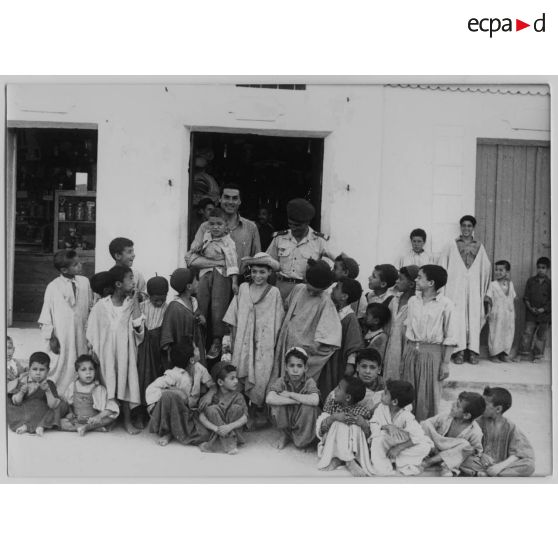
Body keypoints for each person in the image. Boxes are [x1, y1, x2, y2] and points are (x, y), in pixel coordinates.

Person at [222, 253, 284, 420]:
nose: (258, 276)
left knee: (261, 375)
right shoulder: (243, 288)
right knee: (240, 373)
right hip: (243, 342)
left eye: (262, 272)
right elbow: (233, 318)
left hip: (263, 344)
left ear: (270, 272)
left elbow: (278, 324)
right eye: (255, 271)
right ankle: (241, 412)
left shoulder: (274, 293)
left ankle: (258, 411)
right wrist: (234, 341)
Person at [86, 265, 144, 435]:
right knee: (108, 384)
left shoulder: (130, 304)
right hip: (106, 354)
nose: (134, 282)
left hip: (126, 353)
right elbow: (91, 332)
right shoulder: (101, 306)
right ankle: (110, 419)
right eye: (130, 278)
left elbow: (139, 326)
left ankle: (127, 421)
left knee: (125, 383)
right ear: (118, 284)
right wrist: (94, 352)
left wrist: (135, 301)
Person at [272, 259, 341, 385]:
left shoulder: (325, 301)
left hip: (303, 346)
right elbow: (286, 307)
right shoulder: (298, 289)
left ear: (324, 288)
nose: (311, 292)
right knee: (280, 375)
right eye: (309, 288)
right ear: (306, 281)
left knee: (297, 378)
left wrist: (317, 343)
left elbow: (330, 328)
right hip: (286, 340)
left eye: (316, 291)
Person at [401, 265, 456, 422]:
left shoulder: (445, 304)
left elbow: (450, 336)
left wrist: (445, 363)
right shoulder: (413, 301)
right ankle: (406, 429)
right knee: (408, 393)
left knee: (428, 395)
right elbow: (409, 329)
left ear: (431, 282)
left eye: (419, 277)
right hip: (411, 352)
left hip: (432, 355)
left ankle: (425, 433)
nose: (416, 280)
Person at [185, 207, 239, 359]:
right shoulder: (206, 236)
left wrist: (234, 282)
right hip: (205, 274)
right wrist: (199, 250)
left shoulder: (228, 242)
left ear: (226, 225)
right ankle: (199, 338)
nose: (215, 227)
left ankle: (217, 340)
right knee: (201, 304)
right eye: (212, 223)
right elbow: (191, 257)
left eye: (219, 224)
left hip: (221, 275)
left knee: (217, 307)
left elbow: (232, 262)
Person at [38, 249, 93, 395]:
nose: (80, 265)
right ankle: (61, 394)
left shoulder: (84, 282)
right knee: (63, 364)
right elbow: (46, 314)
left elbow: (90, 306)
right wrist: (51, 337)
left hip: (81, 331)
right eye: (75, 264)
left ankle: (79, 393)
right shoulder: (53, 286)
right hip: (62, 334)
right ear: (63, 269)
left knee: (82, 360)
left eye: (79, 262)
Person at [438, 215, 491, 365]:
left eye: (469, 226)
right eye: (464, 226)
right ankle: (458, 351)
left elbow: (486, 268)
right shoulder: (452, 245)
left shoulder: (479, 246)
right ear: (460, 227)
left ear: (473, 228)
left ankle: (473, 351)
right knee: (456, 316)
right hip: (456, 286)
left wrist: (483, 288)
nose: (466, 228)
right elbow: (443, 264)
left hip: (473, 287)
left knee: (474, 317)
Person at [146, 340, 215, 447]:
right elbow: (150, 390)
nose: (198, 349)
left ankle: (178, 431)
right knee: (168, 396)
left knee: (205, 434)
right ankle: (167, 432)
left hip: (188, 411)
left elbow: (213, 386)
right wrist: (175, 391)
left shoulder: (200, 369)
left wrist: (209, 394)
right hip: (169, 411)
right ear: (191, 359)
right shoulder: (174, 374)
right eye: (196, 348)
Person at [266, 198, 335, 299]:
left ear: (307, 222)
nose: (293, 228)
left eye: (297, 225)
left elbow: (336, 262)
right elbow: (268, 262)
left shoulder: (319, 241)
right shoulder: (280, 238)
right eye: (290, 224)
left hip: (305, 291)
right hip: (280, 289)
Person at [189, 183, 261, 277]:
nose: (230, 202)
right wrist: (222, 263)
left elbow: (258, 260)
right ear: (220, 199)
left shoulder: (251, 227)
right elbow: (192, 258)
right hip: (211, 282)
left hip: (240, 283)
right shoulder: (205, 227)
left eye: (235, 198)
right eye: (226, 197)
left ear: (240, 201)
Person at [460, 387, 535, 477]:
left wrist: (500, 466)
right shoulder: (476, 421)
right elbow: (463, 444)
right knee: (461, 458)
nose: (480, 406)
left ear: (498, 409)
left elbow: (521, 452)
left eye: (484, 404)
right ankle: (492, 475)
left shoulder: (510, 426)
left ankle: (491, 475)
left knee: (529, 465)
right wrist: (480, 455)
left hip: (501, 466)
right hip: (479, 463)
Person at [369, 380, 433, 476]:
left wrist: (399, 448)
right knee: (377, 438)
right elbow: (373, 423)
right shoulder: (381, 408)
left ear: (394, 401)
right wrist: (387, 426)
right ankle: (384, 467)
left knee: (425, 447)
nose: (382, 393)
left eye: (386, 393)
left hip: (402, 445)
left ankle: (396, 459)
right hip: (386, 442)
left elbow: (418, 436)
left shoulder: (406, 416)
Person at [316, 376, 375, 477]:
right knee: (338, 424)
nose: (334, 390)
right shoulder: (332, 406)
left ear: (347, 397)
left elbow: (368, 436)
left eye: (338, 388)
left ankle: (349, 460)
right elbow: (320, 430)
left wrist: (363, 424)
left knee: (355, 425)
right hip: (332, 443)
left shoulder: (361, 411)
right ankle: (342, 459)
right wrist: (334, 417)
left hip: (353, 449)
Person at [266, 347, 321, 450]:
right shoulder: (282, 380)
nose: (295, 370)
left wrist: (290, 394)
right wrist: (294, 401)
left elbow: (315, 400)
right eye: (292, 366)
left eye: (299, 366)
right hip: (290, 415)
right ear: (286, 367)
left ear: (305, 368)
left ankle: (303, 439)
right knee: (275, 404)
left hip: (302, 418)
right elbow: (269, 398)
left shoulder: (309, 382)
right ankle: (285, 435)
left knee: (309, 408)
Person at [318, 277, 364, 400]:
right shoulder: (331, 309)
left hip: (337, 361)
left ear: (344, 296)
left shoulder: (349, 317)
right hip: (325, 358)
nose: (333, 288)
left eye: (337, 287)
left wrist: (350, 365)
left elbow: (353, 344)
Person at [421, 392, 485, 477]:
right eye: (455, 402)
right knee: (425, 424)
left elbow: (477, 451)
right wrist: (431, 444)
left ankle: (433, 462)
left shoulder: (475, 432)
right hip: (435, 447)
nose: (452, 404)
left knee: (465, 446)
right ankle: (442, 461)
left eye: (457, 405)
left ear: (466, 415)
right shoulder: (445, 416)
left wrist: (471, 451)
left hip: (453, 454)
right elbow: (428, 424)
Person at [135, 276, 169, 426]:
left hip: (159, 352)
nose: (159, 302)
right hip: (143, 351)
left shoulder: (169, 308)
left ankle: (156, 414)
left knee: (158, 380)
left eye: (162, 299)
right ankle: (140, 413)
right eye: (156, 299)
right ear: (149, 296)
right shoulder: (141, 307)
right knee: (142, 379)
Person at [60, 355, 119, 436]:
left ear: (95, 371)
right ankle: (91, 428)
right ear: (77, 373)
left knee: (110, 418)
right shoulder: (73, 386)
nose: (88, 372)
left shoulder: (98, 388)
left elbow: (111, 407)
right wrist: (70, 412)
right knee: (61, 423)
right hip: (77, 419)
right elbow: (68, 402)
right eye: (83, 370)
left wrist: (98, 417)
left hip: (93, 420)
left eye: (91, 369)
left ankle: (87, 427)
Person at [7, 352, 63, 436]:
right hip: (23, 411)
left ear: (48, 371)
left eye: (42, 370)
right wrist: (21, 392)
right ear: (29, 369)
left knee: (58, 406)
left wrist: (47, 390)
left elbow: (53, 405)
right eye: (34, 369)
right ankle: (26, 424)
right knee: (8, 406)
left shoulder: (49, 384)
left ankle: (29, 426)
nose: (38, 373)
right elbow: (16, 402)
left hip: (39, 411)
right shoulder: (23, 382)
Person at [160, 267, 206, 368]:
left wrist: (202, 320)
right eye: (196, 280)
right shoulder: (174, 307)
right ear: (189, 286)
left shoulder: (194, 302)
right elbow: (167, 336)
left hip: (196, 351)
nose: (198, 282)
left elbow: (199, 316)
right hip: (182, 357)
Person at [198, 363, 249, 454]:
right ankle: (230, 444)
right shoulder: (211, 397)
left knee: (236, 408)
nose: (236, 381)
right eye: (232, 378)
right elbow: (202, 417)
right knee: (211, 409)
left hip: (232, 428)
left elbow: (245, 418)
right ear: (220, 382)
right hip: (217, 430)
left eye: (236, 377)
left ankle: (220, 443)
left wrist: (229, 427)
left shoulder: (238, 396)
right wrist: (216, 429)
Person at [383, 266, 419, 381]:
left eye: (401, 279)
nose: (397, 281)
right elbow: (387, 325)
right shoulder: (394, 300)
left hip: (405, 350)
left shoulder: (416, 305)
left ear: (412, 284)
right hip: (391, 349)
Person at [517, 257, 551, 363]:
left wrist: (543, 309)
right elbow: (526, 297)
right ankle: (522, 354)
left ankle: (538, 356)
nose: (540, 270)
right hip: (531, 313)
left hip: (544, 315)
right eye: (539, 267)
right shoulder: (531, 281)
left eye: (543, 268)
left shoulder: (550, 283)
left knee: (541, 336)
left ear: (548, 269)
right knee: (527, 333)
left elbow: (552, 299)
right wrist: (530, 307)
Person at [484, 260, 516, 363]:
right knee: (495, 333)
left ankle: (504, 354)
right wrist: (488, 311)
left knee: (508, 333)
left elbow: (512, 298)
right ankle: (494, 354)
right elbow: (488, 299)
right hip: (497, 313)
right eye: (496, 270)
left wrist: (514, 313)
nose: (498, 272)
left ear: (507, 272)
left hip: (509, 314)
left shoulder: (510, 284)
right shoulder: (493, 285)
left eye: (501, 270)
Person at [333, 253, 367, 319]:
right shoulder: (333, 287)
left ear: (345, 272)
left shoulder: (360, 299)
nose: (333, 270)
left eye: (335, 268)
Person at [355, 348, 385, 413]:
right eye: (364, 366)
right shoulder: (347, 385)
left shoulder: (385, 387)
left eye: (372, 368)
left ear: (379, 369)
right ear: (357, 367)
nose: (367, 371)